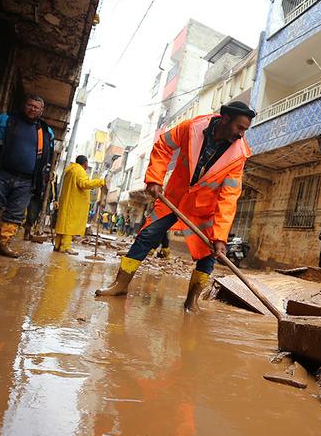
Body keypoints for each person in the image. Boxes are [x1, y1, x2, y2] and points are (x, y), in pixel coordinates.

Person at [95, 101, 256, 312]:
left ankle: (192, 302)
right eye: (240, 127)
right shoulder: (193, 127)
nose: (242, 134)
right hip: (174, 199)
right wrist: (154, 178)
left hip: (203, 209)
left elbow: (229, 196)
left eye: (245, 129)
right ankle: (121, 285)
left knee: (208, 254)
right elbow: (163, 145)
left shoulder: (238, 155)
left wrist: (220, 237)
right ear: (225, 119)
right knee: (147, 236)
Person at [0, 95, 54, 258]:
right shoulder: (5, 120)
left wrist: (44, 175)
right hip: (1, 173)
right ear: (25, 105)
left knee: (15, 213)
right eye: (30, 105)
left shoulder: (46, 132)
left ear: (41, 111)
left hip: (26, 180)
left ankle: (4, 244)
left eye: (36, 107)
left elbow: (48, 157)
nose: (32, 109)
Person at [53, 156, 107, 255]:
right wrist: (100, 182)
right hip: (74, 202)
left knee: (63, 224)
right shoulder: (79, 171)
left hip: (67, 202)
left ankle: (58, 245)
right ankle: (65, 247)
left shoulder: (70, 170)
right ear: (85, 163)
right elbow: (84, 184)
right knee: (70, 225)